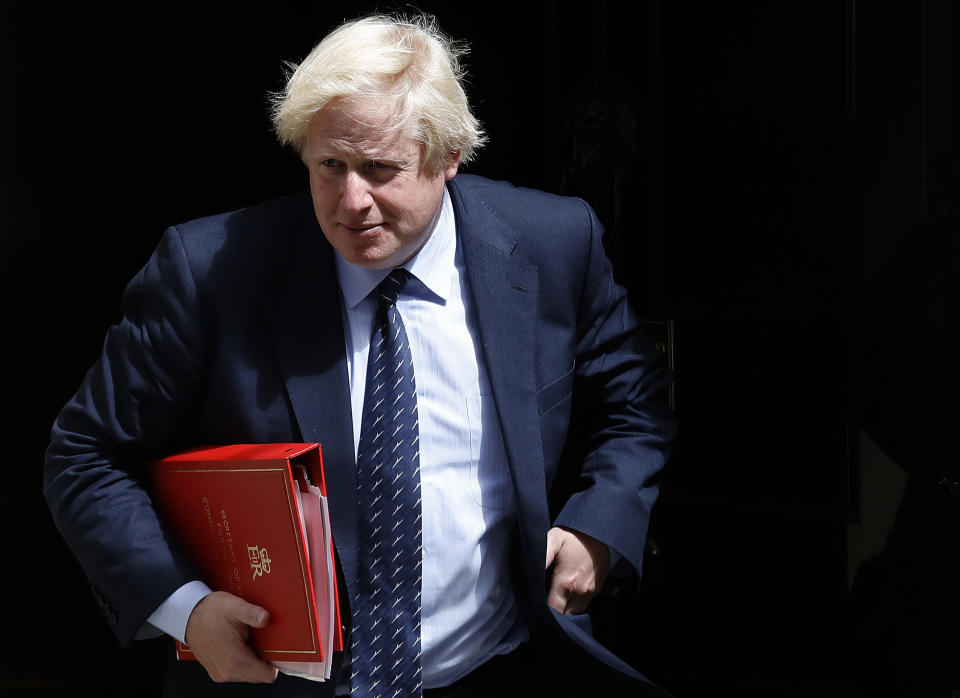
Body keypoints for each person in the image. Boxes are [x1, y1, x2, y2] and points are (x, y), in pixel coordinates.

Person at [43, 13, 675, 698]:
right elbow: (85, 455)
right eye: (329, 166)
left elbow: (636, 400)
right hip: (276, 685)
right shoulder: (211, 272)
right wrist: (186, 608)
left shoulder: (552, 245)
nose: (351, 202)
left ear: (449, 156)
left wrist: (598, 528)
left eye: (380, 169)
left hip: (494, 671)